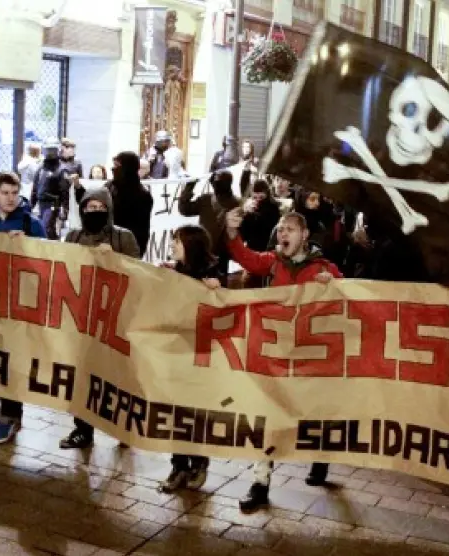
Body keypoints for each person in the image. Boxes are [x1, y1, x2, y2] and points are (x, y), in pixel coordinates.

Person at [223, 208, 342, 512]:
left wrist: (335, 284)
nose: (283, 233)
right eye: (281, 229)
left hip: (310, 357)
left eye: (290, 229)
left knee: (312, 412)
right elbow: (246, 257)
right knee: (269, 415)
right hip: (277, 355)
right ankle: (260, 482)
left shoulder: (323, 267)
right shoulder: (273, 262)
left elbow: (347, 297)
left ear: (305, 235)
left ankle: (321, 456)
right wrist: (233, 233)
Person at [59, 188, 142, 449]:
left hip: (115, 317)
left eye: (100, 208)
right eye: (90, 208)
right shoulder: (74, 236)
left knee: (118, 375)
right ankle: (83, 429)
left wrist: (115, 260)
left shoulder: (123, 237)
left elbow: (139, 272)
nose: (95, 212)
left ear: (108, 210)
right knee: (83, 374)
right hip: (83, 316)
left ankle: (123, 428)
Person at [0, 172, 48, 444]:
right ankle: (9, 415)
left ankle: (9, 416)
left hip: (21, 304)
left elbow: (50, 259)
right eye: (5, 193)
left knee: (13, 359)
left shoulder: (31, 223)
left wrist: (29, 244)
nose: (10, 198)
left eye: (14, 193)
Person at [158, 225, 225, 492]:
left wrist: (217, 291)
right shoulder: (175, 272)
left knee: (194, 412)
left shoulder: (213, 275)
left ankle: (198, 462)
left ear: (191, 246)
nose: (172, 245)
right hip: (177, 352)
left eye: (177, 241)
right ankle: (178, 466)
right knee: (175, 411)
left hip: (200, 356)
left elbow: (225, 311)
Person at [75, 152, 153, 257]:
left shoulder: (142, 196)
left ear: (127, 168)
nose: (113, 168)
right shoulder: (110, 186)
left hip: (126, 248)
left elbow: (142, 231)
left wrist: (135, 253)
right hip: (104, 244)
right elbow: (93, 200)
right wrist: (79, 188)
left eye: (117, 165)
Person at [30, 139, 69, 240]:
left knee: (47, 227)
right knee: (40, 228)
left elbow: (65, 191)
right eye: (48, 150)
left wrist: (65, 209)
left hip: (53, 204)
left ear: (58, 150)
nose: (50, 153)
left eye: (52, 150)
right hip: (41, 204)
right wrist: (30, 205)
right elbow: (35, 188)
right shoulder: (41, 168)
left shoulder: (61, 169)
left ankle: (53, 245)